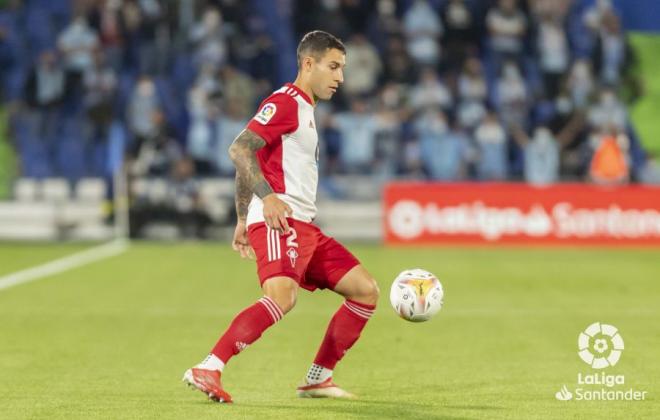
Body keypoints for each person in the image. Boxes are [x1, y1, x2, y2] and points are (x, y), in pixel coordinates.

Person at [182, 30, 380, 403]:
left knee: (365, 291)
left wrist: (242, 217)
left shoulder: (305, 110)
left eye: (342, 69)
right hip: (281, 221)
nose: (340, 77)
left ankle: (318, 378)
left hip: (303, 224)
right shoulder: (286, 102)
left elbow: (252, 159)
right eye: (334, 67)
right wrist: (266, 200)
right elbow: (240, 148)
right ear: (308, 64)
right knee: (282, 297)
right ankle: (209, 366)